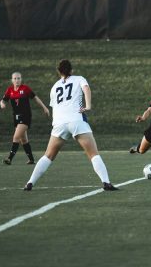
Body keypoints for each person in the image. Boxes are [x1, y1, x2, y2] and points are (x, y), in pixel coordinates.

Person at [23, 60, 118, 191]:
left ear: (59, 72)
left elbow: (55, 106)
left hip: (59, 123)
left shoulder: (54, 86)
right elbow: (86, 89)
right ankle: (106, 183)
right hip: (76, 120)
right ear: (71, 70)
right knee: (93, 154)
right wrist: (88, 105)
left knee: (48, 156)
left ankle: (30, 183)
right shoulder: (79, 79)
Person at [0, 72, 50, 165]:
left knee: (16, 137)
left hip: (25, 116)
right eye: (15, 78)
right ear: (12, 80)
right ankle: (31, 159)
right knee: (24, 140)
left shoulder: (25, 89)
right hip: (16, 117)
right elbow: (3, 100)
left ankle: (9, 159)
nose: (17, 80)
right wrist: (2, 104)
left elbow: (35, 98)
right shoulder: (10, 90)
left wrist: (45, 108)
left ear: (21, 79)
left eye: (18, 78)